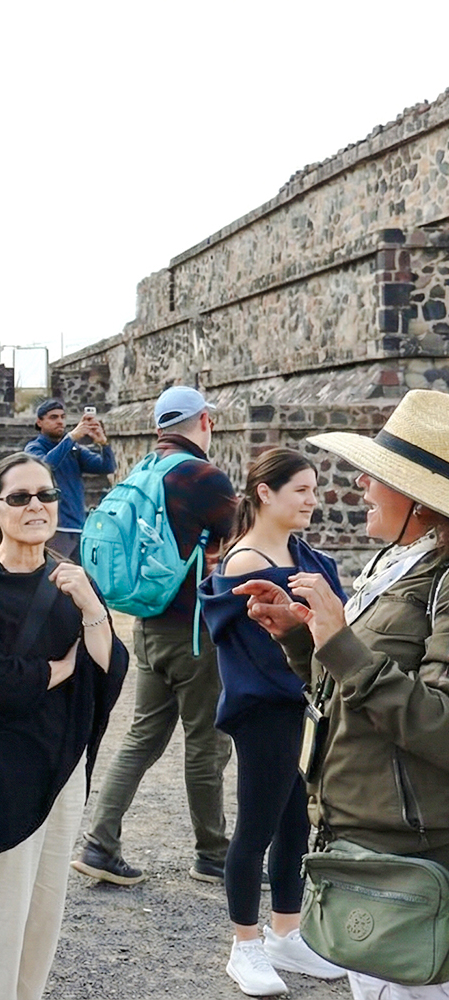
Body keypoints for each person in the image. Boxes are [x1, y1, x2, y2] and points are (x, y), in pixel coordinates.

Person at [236, 389, 449, 1000]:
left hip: (413, 850)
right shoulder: (400, 562)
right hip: (366, 837)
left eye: (377, 476)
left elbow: (439, 724)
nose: (360, 485)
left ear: (418, 499)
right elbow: (350, 691)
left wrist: (339, 638)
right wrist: (305, 639)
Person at [0, 452, 126, 999]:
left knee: (40, 925)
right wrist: (57, 670)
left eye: (46, 495)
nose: (36, 505)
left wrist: (90, 608)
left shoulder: (71, 578)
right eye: (20, 497)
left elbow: (110, 671)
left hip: (59, 768)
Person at [73, 384, 237, 885]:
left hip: (147, 626)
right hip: (196, 634)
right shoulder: (204, 477)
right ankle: (213, 854)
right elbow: (241, 537)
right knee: (207, 743)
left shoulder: (144, 471)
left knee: (144, 735)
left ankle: (99, 842)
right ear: (204, 421)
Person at [199, 449, 347, 995]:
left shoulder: (300, 550)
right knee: (256, 826)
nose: (314, 499)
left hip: (303, 705)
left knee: (294, 824)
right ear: (266, 493)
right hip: (266, 710)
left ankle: (287, 932)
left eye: (313, 489)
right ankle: (245, 944)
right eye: (302, 490)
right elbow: (266, 652)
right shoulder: (244, 563)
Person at [24, 398, 116, 563]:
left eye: (62, 417)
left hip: (78, 527)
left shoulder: (74, 449)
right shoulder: (34, 448)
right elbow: (44, 468)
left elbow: (106, 466)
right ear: (39, 422)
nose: (60, 421)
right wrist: (71, 437)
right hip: (54, 529)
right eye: (53, 417)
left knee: (79, 580)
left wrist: (103, 444)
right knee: (54, 580)